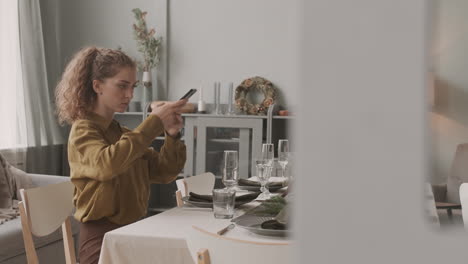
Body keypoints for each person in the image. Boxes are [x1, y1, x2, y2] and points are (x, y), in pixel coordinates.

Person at [55, 46, 187, 264]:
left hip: (135, 232)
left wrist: (172, 135)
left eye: (132, 87)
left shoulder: (125, 135)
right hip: (101, 240)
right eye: (122, 86)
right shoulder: (83, 131)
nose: (129, 95)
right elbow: (106, 165)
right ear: (97, 86)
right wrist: (153, 122)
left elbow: (165, 172)